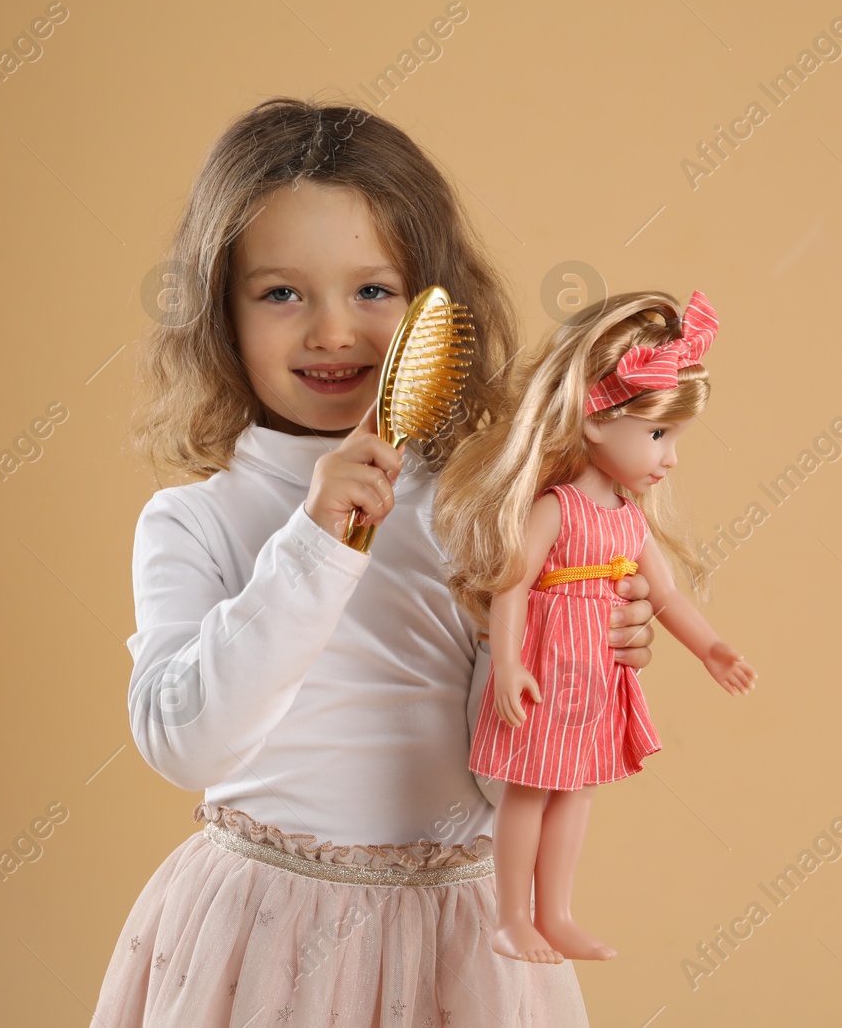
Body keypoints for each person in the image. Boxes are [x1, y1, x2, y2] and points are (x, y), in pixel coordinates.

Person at [94, 97, 662, 1026]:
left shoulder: (483, 511)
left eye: (374, 290)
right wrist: (319, 538)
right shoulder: (193, 521)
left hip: (458, 945)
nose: (333, 332)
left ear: (437, 310)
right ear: (218, 313)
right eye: (281, 292)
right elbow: (188, 741)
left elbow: (500, 778)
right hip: (256, 940)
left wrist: (574, 637)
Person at [432, 289, 757, 965]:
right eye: (659, 434)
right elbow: (512, 583)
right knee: (528, 791)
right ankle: (511, 917)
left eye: (674, 437)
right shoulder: (556, 507)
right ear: (599, 418)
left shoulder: (628, 519)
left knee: (576, 792)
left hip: (594, 681)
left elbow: (665, 596)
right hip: (548, 671)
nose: (670, 458)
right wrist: (513, 663)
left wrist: (712, 648)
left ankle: (556, 912)